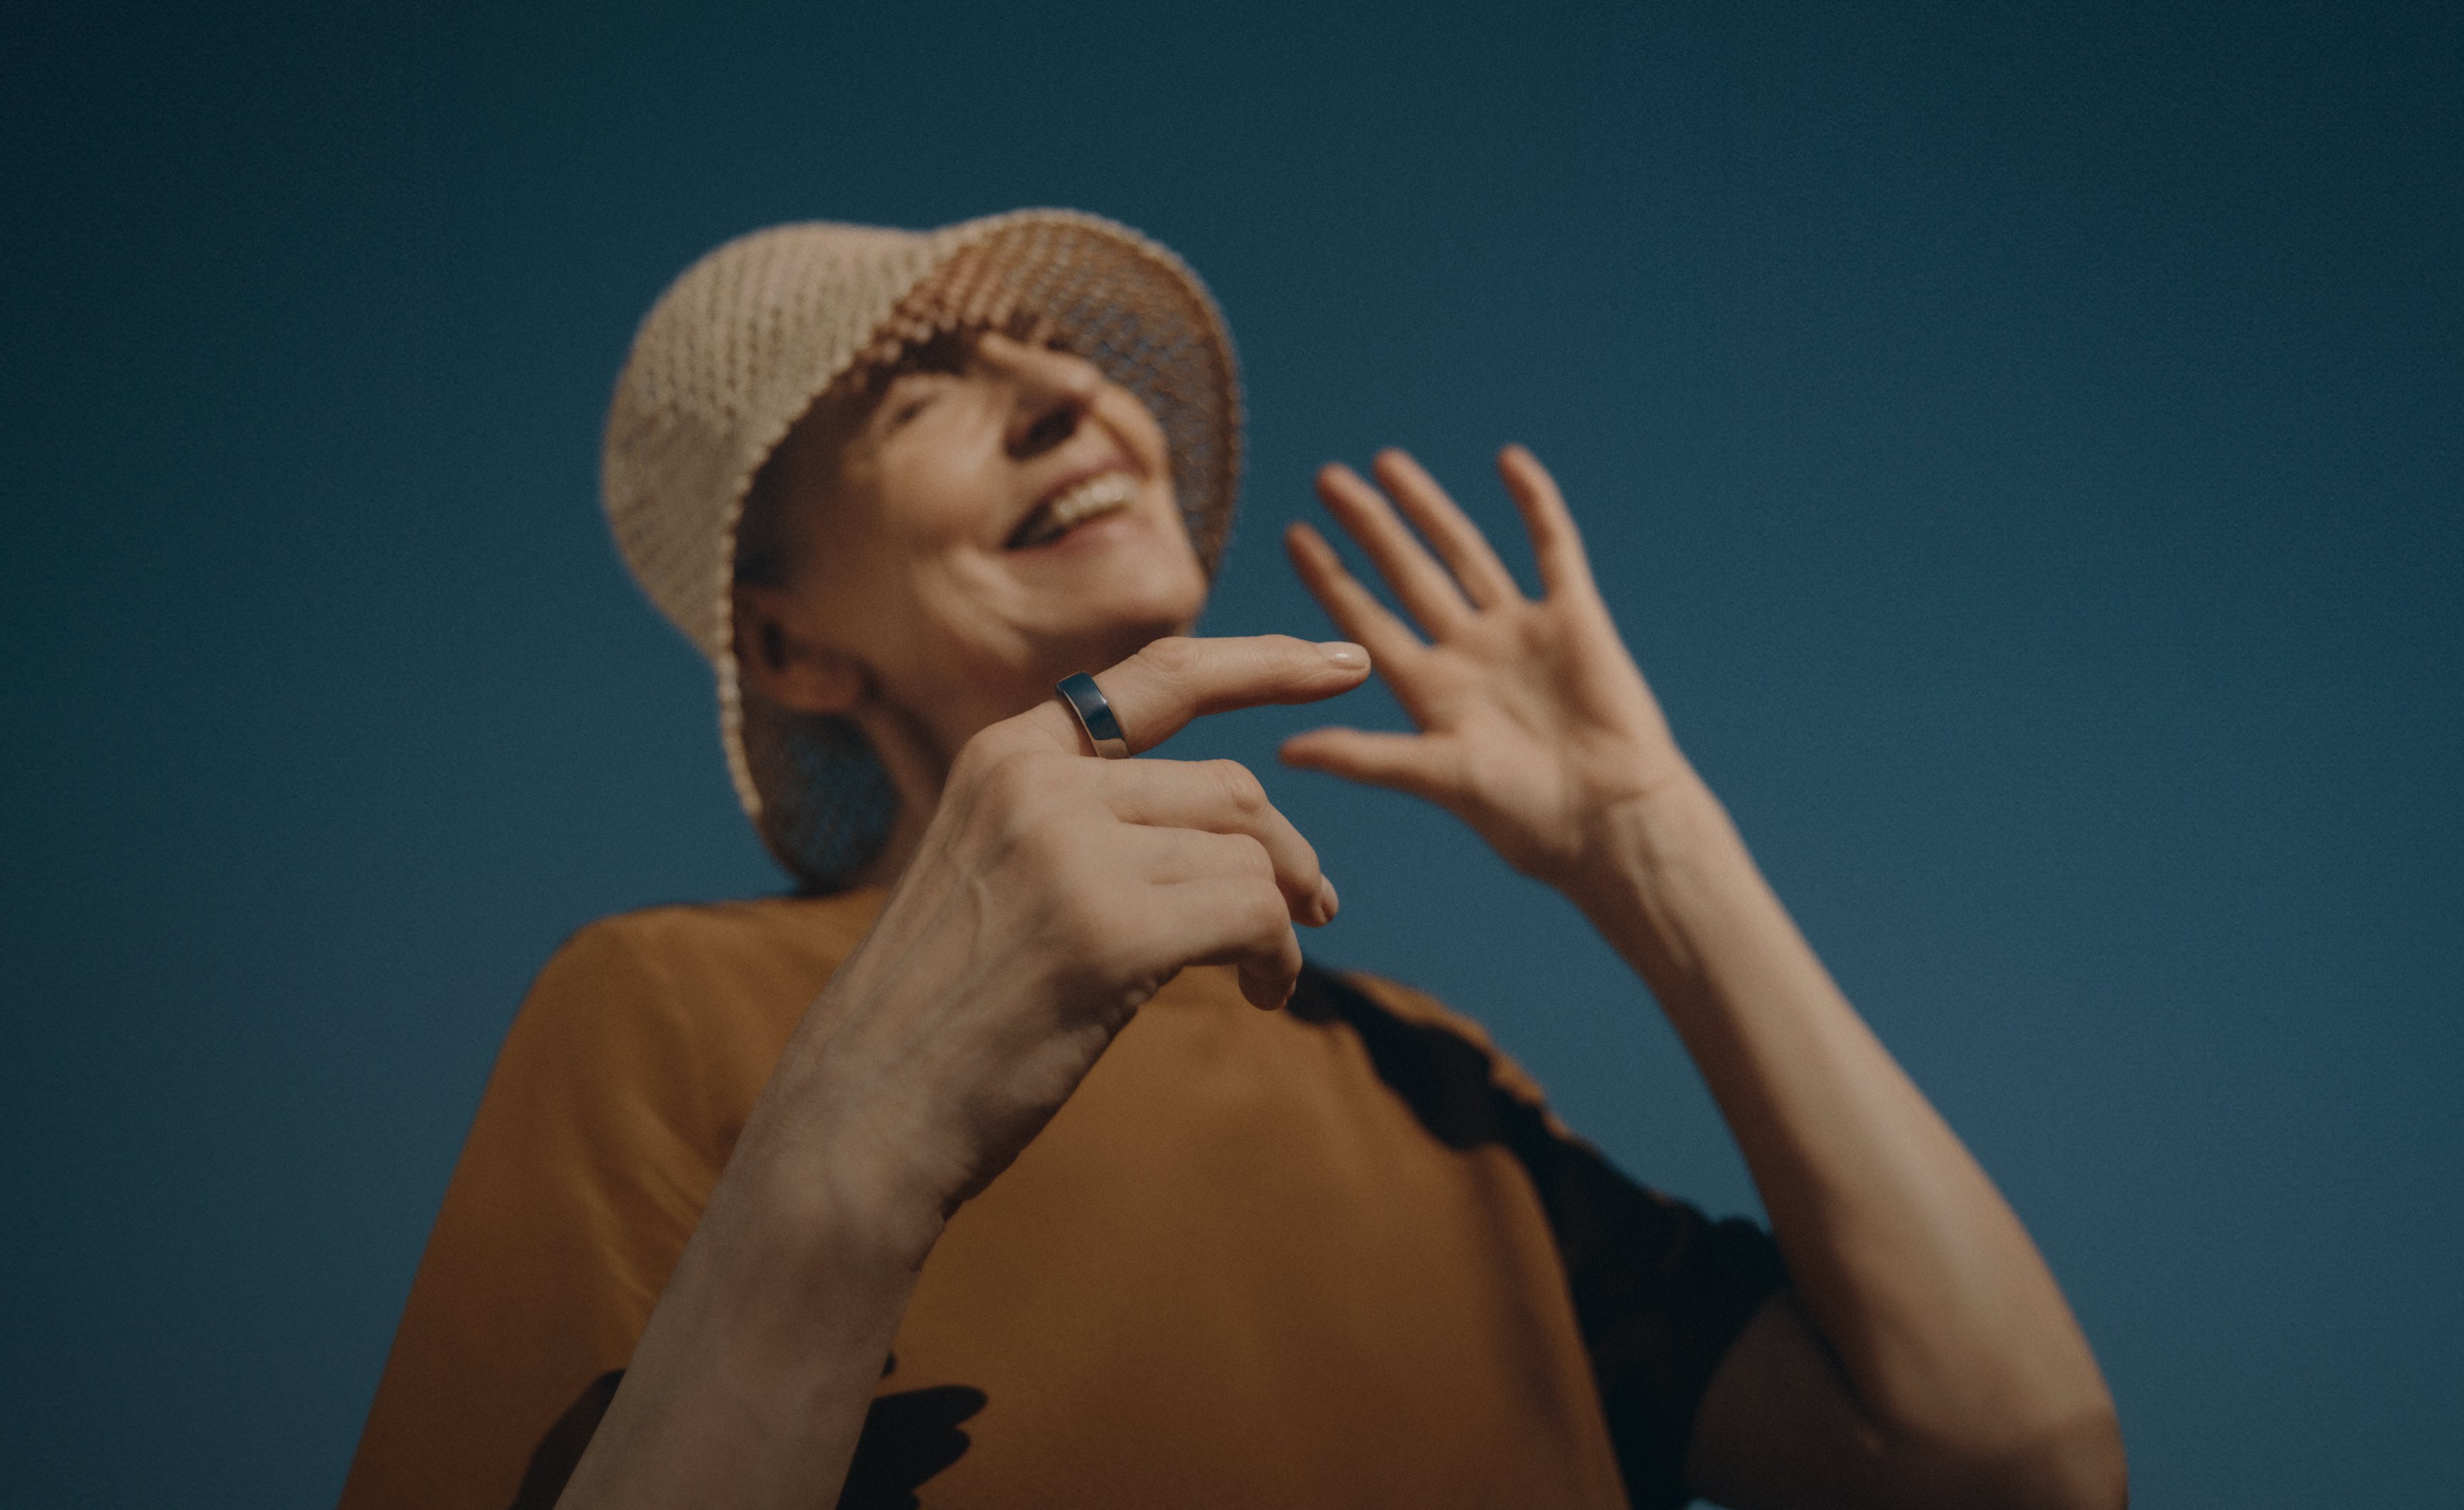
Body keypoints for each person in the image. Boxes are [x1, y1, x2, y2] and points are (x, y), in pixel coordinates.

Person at [339, 211, 2124, 1510]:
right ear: (800, 649)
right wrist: (853, 1158)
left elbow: (2011, 1458)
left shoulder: (1418, 1088)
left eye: (1052, 348)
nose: (1061, 393)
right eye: (914, 389)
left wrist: (1650, 846)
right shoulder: (667, 1009)